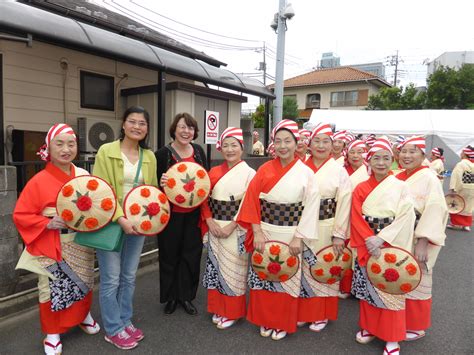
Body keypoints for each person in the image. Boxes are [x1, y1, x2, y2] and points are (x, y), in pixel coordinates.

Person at [13, 123, 100, 355]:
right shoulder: (38, 180)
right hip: (52, 241)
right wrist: (47, 222)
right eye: (59, 144)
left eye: (71, 144)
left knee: (84, 280)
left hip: (81, 239)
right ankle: (52, 332)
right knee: (50, 289)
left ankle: (83, 316)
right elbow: (21, 214)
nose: (66, 149)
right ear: (48, 149)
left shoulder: (83, 175)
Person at [237, 119, 320, 340]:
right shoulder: (264, 169)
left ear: (296, 143)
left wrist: (299, 238)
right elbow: (251, 201)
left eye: (288, 141)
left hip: (291, 233)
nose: (283, 146)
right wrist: (257, 232)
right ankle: (265, 319)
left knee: (286, 277)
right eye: (278, 141)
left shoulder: (306, 172)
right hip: (265, 230)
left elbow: (311, 207)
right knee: (263, 275)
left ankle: (282, 322)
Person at [93, 106, 158, 350]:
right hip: (112, 222)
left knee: (129, 276)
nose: (137, 126)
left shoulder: (149, 156)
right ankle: (112, 328)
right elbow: (101, 190)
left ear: (147, 128)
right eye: (132, 121)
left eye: (142, 123)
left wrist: (146, 221)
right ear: (123, 124)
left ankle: (124, 318)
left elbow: (150, 193)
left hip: (138, 224)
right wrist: (121, 218)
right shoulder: (106, 151)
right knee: (111, 278)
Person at [350, 136, 416, 355]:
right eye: (376, 158)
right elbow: (356, 216)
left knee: (391, 289)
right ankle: (369, 327)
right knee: (369, 287)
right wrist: (370, 239)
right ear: (369, 160)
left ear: (392, 160)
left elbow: (406, 216)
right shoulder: (360, 187)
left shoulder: (401, 186)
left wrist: (382, 238)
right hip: (367, 241)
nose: (381, 162)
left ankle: (392, 338)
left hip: (391, 242)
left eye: (386, 158)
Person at [201, 127, 256, 329]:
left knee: (234, 270)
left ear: (242, 148)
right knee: (216, 267)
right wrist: (209, 220)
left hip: (237, 226)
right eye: (226, 145)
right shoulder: (214, 172)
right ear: (220, 148)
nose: (230, 149)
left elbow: (250, 203)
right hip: (215, 225)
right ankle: (217, 307)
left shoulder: (250, 174)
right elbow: (202, 197)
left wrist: (233, 225)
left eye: (234, 145)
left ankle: (232, 311)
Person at [299, 123, 352, 331]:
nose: (321, 146)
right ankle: (303, 311)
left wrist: (339, 235)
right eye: (316, 141)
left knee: (324, 268)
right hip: (301, 225)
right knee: (302, 270)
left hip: (326, 225)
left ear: (333, 145)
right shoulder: (300, 166)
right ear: (309, 144)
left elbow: (345, 203)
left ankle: (321, 314)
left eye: (325, 141)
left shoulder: (339, 171)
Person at [155, 113, 208, 316]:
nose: (186, 131)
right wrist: (161, 183)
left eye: (190, 128)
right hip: (170, 215)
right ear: (174, 129)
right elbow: (154, 186)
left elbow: (205, 181)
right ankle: (170, 297)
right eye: (182, 127)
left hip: (194, 213)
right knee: (169, 256)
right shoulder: (162, 154)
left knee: (191, 256)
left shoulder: (199, 152)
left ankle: (186, 296)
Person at [397, 136, 448, 341]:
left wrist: (424, 240)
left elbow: (436, 209)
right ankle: (397, 319)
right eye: (404, 151)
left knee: (417, 279)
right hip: (399, 234)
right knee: (397, 275)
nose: (407, 156)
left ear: (423, 155)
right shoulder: (399, 175)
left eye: (413, 151)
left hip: (418, 235)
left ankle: (416, 326)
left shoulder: (429, 178)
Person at [339, 139, 369, 298]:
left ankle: (356, 287)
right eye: (352, 152)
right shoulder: (341, 170)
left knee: (357, 251)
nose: (356, 156)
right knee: (344, 251)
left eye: (360, 152)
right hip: (343, 214)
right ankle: (343, 286)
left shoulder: (370, 172)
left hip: (360, 217)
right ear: (347, 154)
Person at [447, 145, 474, 231]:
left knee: (457, 205)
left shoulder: (461, 164)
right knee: (469, 206)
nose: (461, 154)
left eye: (462, 152)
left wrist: (453, 188)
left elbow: (456, 177)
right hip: (472, 188)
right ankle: (466, 225)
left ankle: (455, 224)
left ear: (465, 154)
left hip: (462, 188)